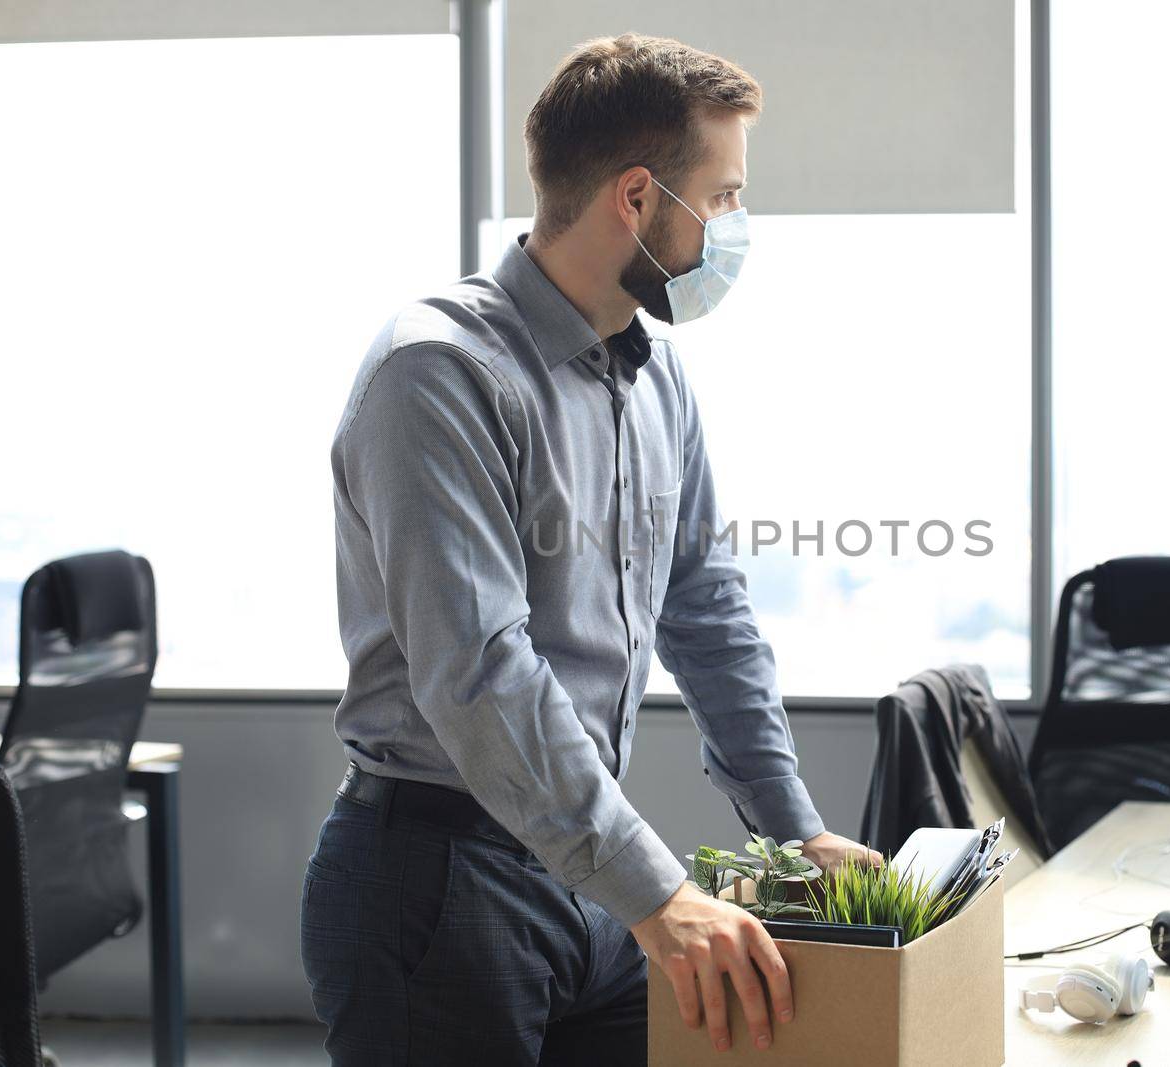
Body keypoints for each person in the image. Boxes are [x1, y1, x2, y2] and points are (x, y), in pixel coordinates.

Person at [300, 32, 881, 1066]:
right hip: (440, 875)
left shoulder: (654, 380)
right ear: (636, 197)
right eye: (725, 196)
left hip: (586, 861)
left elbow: (706, 611)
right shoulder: (439, 372)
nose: (735, 227)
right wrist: (658, 893)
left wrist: (792, 829)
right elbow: (480, 669)